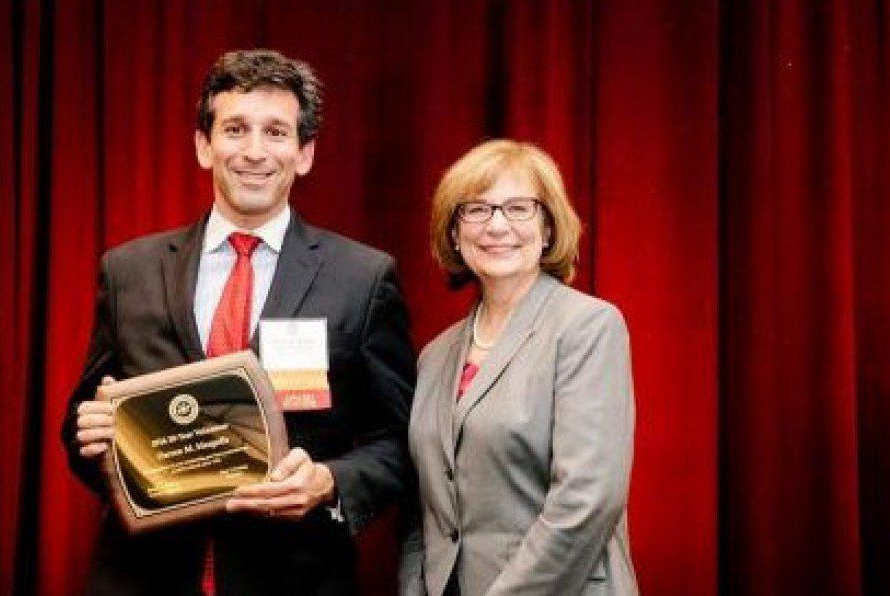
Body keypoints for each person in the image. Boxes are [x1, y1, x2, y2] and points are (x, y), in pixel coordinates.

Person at [61, 49, 416, 595]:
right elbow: (84, 428)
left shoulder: (363, 278)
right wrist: (94, 440)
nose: (255, 152)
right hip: (144, 577)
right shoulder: (128, 269)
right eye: (235, 129)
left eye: (276, 132)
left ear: (305, 154)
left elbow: (398, 441)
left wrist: (329, 481)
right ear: (205, 146)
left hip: (295, 578)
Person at [403, 140, 638, 595]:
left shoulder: (588, 327)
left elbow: (586, 499)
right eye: (475, 210)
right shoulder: (435, 355)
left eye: (518, 208)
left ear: (548, 228)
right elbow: (424, 511)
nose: (496, 225)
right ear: (454, 233)